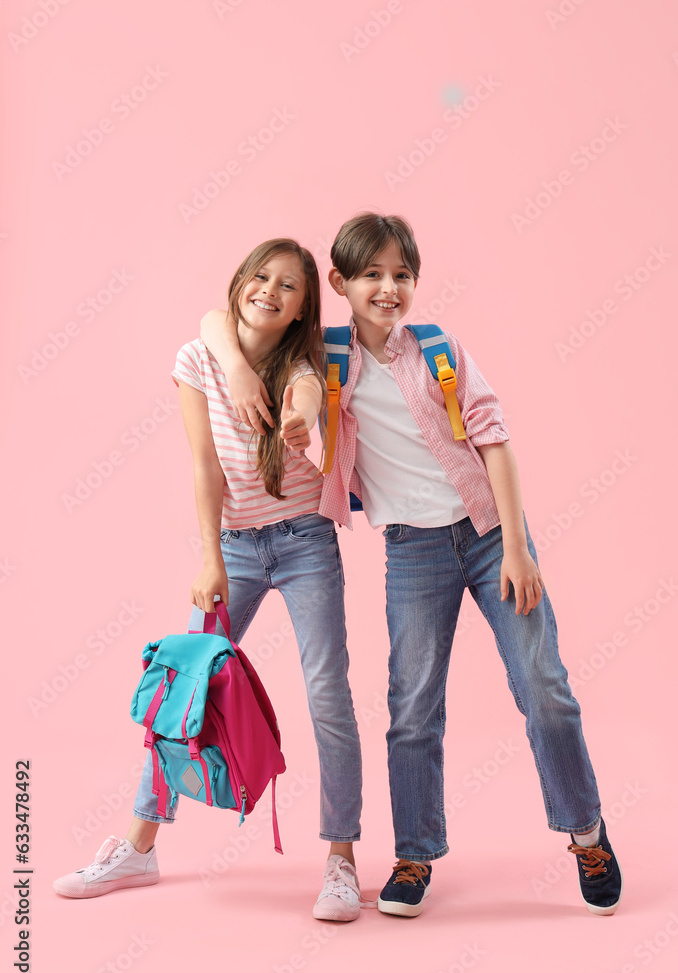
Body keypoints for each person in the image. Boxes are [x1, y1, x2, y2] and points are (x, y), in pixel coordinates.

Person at [201, 214, 623, 919]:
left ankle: (587, 833)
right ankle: (414, 854)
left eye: (401, 275)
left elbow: (495, 441)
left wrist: (516, 546)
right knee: (413, 708)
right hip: (413, 552)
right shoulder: (323, 357)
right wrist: (277, 397)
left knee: (543, 685)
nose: (387, 288)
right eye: (370, 275)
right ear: (337, 284)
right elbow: (216, 320)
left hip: (490, 537)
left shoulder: (437, 348)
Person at [53, 238, 366, 922]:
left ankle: (341, 860)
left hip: (306, 540)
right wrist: (209, 557)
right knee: (183, 687)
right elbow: (205, 466)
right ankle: (140, 846)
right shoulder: (201, 356)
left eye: (290, 287)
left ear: (302, 310)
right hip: (235, 547)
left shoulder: (306, 361)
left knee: (327, 693)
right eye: (262, 277)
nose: (271, 292)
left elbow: (311, 389)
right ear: (241, 283)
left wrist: (302, 416)